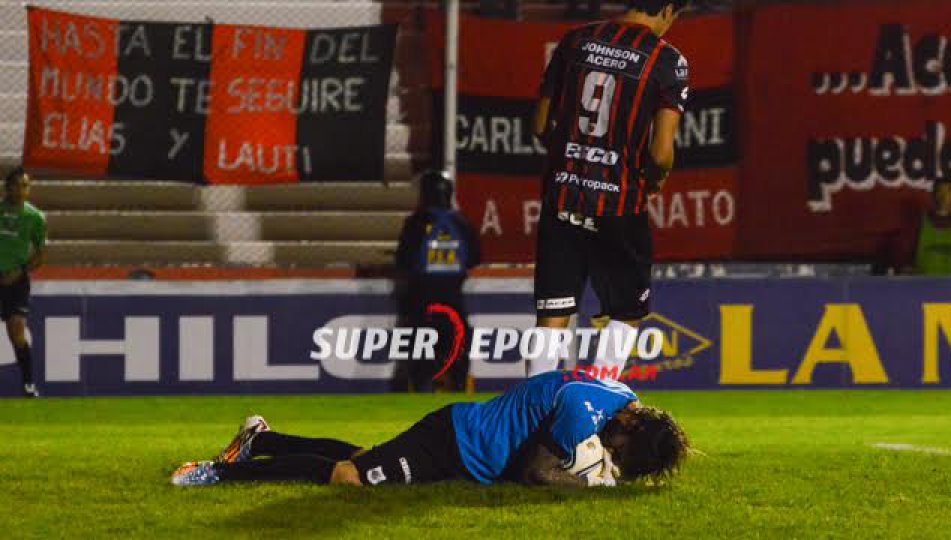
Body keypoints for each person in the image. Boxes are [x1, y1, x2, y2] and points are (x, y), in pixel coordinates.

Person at [528, 0, 690, 377]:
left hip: (563, 197)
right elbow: (661, 152)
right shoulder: (666, 59)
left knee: (553, 313)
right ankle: (594, 409)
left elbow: (539, 124)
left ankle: (532, 417)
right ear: (667, 10)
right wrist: (656, 180)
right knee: (627, 311)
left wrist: (571, 161)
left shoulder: (576, 41)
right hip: (618, 204)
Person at [170, 370, 689, 487]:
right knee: (350, 478)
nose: (615, 458)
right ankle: (221, 473)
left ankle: (261, 439)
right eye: (622, 454)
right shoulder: (582, 414)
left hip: (462, 433)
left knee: (361, 456)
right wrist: (597, 482)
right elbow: (540, 473)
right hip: (456, 446)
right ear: (627, 430)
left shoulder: (622, 396)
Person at [393, 170, 480, 392]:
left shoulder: (415, 223)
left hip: (422, 303)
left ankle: (421, 390)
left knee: (422, 354)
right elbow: (474, 259)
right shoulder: (461, 223)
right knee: (458, 351)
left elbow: (403, 260)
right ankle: (459, 388)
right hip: (454, 302)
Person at [0, 167, 47, 398]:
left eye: (25, 185)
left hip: (17, 280)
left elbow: (40, 255)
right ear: (6, 188)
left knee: (17, 331)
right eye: (16, 185)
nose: (21, 190)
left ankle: (29, 384)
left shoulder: (35, 217)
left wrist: (20, 271)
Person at [899, 178, 951, 276]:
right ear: (932, 195)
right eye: (940, 191)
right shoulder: (919, 222)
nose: (943, 196)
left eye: (947, 191)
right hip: (923, 284)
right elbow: (906, 257)